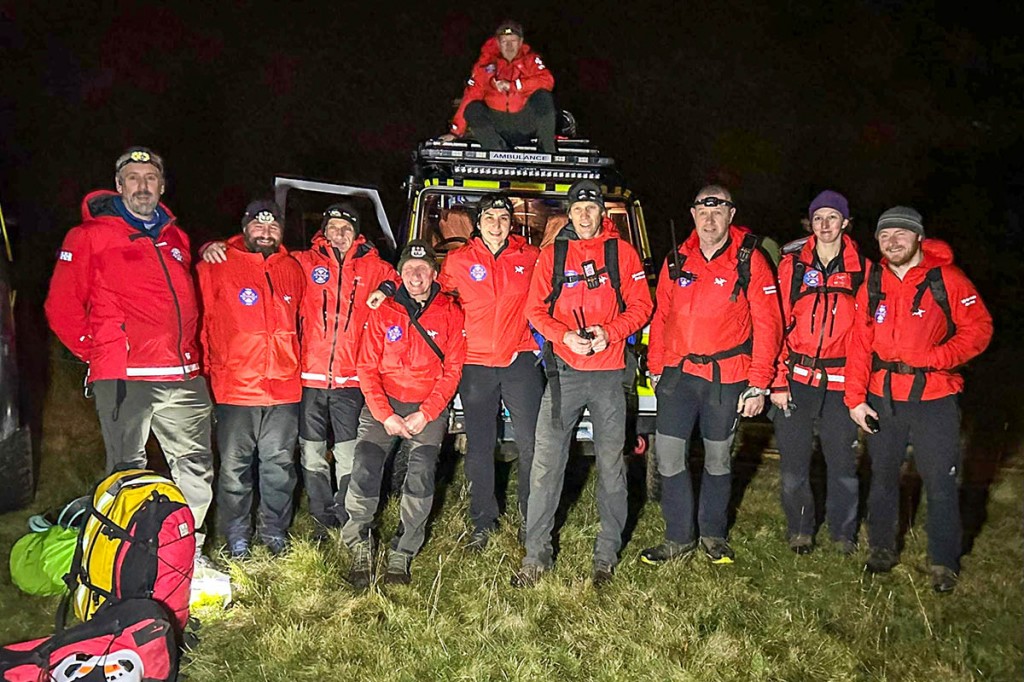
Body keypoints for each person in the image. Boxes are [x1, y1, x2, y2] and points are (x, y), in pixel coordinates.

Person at [45, 146, 215, 564]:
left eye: (150, 178)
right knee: (127, 473)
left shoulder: (176, 238)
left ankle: (184, 553)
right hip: (125, 376)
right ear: (119, 186)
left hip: (183, 375)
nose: (143, 186)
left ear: (162, 186)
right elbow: (61, 306)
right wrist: (100, 353)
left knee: (196, 468)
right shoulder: (88, 236)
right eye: (133, 178)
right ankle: (124, 561)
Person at [203, 203, 396, 539]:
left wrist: (386, 289)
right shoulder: (303, 262)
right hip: (306, 378)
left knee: (347, 454)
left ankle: (346, 517)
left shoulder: (374, 266)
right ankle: (320, 518)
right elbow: (256, 262)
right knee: (311, 453)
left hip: (350, 380)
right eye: (333, 227)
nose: (339, 234)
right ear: (323, 231)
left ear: (357, 233)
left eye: (346, 229)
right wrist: (211, 246)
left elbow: (404, 278)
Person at [513, 179, 653, 588]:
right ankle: (535, 556)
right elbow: (534, 309)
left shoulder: (622, 253)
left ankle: (605, 556)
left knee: (612, 467)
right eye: (578, 208)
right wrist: (563, 336)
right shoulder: (552, 254)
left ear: (602, 213)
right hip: (565, 375)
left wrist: (611, 332)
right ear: (569, 214)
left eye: (591, 208)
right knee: (545, 466)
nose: (585, 215)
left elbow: (642, 306)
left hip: (610, 375)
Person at [846, 206, 992, 593]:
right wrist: (855, 398)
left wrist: (939, 357)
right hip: (883, 397)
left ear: (919, 238)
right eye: (884, 235)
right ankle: (881, 547)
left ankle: (943, 561)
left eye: (901, 234)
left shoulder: (947, 278)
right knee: (882, 475)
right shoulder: (872, 282)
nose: (892, 242)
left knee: (941, 480)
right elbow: (859, 344)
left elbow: (979, 328)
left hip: (934, 397)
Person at [642, 185, 782, 566]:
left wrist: (759, 382)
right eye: (703, 212)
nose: (709, 219)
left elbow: (768, 324)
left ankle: (713, 534)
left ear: (731, 215)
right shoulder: (676, 259)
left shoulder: (750, 260)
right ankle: (678, 537)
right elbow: (661, 316)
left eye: (718, 211)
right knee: (669, 456)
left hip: (727, 376)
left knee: (718, 459)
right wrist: (656, 367)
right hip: (678, 375)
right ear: (693, 215)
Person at [343, 241, 466, 588]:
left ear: (434, 274)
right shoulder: (384, 311)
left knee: (422, 473)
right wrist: (385, 415)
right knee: (365, 465)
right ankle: (359, 545)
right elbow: (366, 367)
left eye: (423, 269)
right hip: (384, 405)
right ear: (399, 274)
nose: (416, 276)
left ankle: (403, 550)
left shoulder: (451, 312)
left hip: (428, 407)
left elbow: (453, 370)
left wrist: (427, 413)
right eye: (409, 269)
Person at [197, 200, 304, 557]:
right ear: (245, 228)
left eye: (273, 227)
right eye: (258, 226)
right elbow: (202, 322)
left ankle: (274, 531)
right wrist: (207, 374)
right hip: (236, 387)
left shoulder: (292, 268)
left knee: (280, 466)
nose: (266, 233)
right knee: (234, 469)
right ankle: (236, 534)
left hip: (284, 389)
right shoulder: (217, 264)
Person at [438, 193, 544, 551]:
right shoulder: (458, 259)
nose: (496, 225)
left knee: (532, 444)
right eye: (489, 218)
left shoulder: (531, 257)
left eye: (503, 218)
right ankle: (483, 521)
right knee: (480, 446)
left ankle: (532, 518)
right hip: (476, 363)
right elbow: (440, 300)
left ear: (511, 223)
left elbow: (551, 295)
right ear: (478, 222)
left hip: (520, 359)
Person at [771, 190, 867, 555]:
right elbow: (777, 324)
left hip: (841, 381)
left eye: (832, 217)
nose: (825, 225)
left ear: (845, 222)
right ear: (809, 224)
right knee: (793, 463)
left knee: (842, 463)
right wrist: (777, 380)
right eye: (818, 218)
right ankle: (800, 529)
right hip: (796, 379)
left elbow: (866, 336)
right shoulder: (792, 266)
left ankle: (843, 533)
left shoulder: (863, 269)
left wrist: (858, 391)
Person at [441, 20, 557, 153]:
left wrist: (515, 85)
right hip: (498, 125)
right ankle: (497, 150)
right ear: (497, 43)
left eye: (513, 41)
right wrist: (455, 132)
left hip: (524, 123)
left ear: (520, 42)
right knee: (472, 108)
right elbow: (471, 95)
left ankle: (547, 150)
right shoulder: (485, 66)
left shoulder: (531, 61)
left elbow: (547, 80)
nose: (509, 46)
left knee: (543, 96)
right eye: (504, 41)